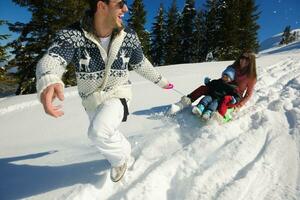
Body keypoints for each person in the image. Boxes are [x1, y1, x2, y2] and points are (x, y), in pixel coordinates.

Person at [36, 0, 173, 182]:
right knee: (103, 134)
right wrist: (49, 77)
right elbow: (53, 57)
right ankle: (122, 152)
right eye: (120, 3)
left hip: (118, 92)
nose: (126, 9)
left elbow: (140, 62)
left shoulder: (128, 35)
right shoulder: (73, 34)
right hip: (90, 100)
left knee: (98, 132)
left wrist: (161, 81)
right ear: (102, 6)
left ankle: (122, 159)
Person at [169, 51, 257, 118]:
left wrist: (238, 106)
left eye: (247, 59)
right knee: (203, 88)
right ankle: (184, 102)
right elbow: (223, 80)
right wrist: (210, 83)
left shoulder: (251, 77)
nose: (243, 60)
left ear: (251, 62)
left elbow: (248, 95)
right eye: (242, 57)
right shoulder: (232, 68)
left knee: (225, 99)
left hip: (233, 96)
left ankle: (217, 115)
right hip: (221, 90)